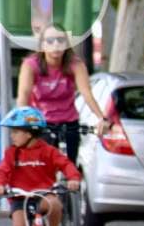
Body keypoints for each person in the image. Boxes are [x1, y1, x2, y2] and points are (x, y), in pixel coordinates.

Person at [16, 23, 110, 166]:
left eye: (60, 40)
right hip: (42, 123)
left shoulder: (75, 64)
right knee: (41, 167)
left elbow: (86, 93)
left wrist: (102, 118)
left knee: (70, 167)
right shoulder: (31, 65)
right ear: (42, 45)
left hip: (69, 123)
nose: (56, 45)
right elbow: (24, 94)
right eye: (50, 41)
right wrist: (23, 121)